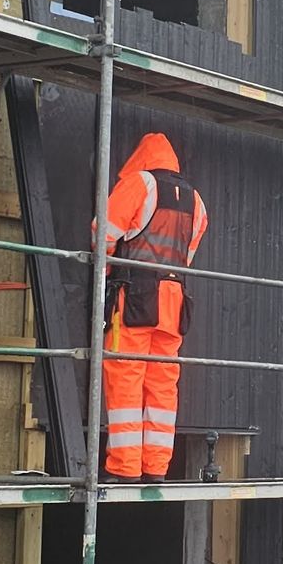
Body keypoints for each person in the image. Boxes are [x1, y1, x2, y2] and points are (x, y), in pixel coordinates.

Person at [101, 130, 207, 481]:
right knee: (163, 385)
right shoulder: (196, 201)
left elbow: (103, 235)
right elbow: (187, 256)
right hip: (174, 303)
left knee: (126, 377)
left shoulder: (138, 184)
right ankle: (156, 467)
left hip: (133, 298)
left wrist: (105, 273)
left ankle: (125, 467)